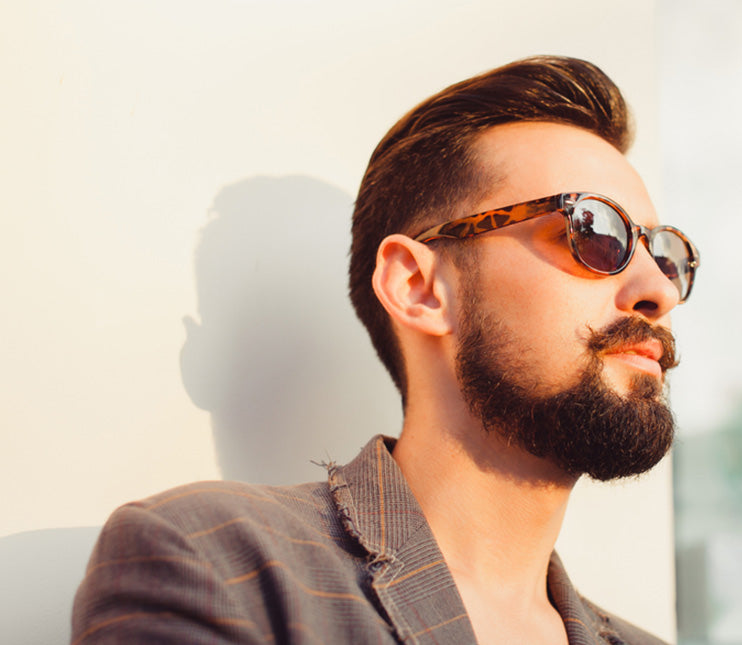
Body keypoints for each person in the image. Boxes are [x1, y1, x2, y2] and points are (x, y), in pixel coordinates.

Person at [71, 55, 700, 645]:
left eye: (663, 252)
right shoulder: (215, 566)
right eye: (594, 229)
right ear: (419, 287)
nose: (657, 291)